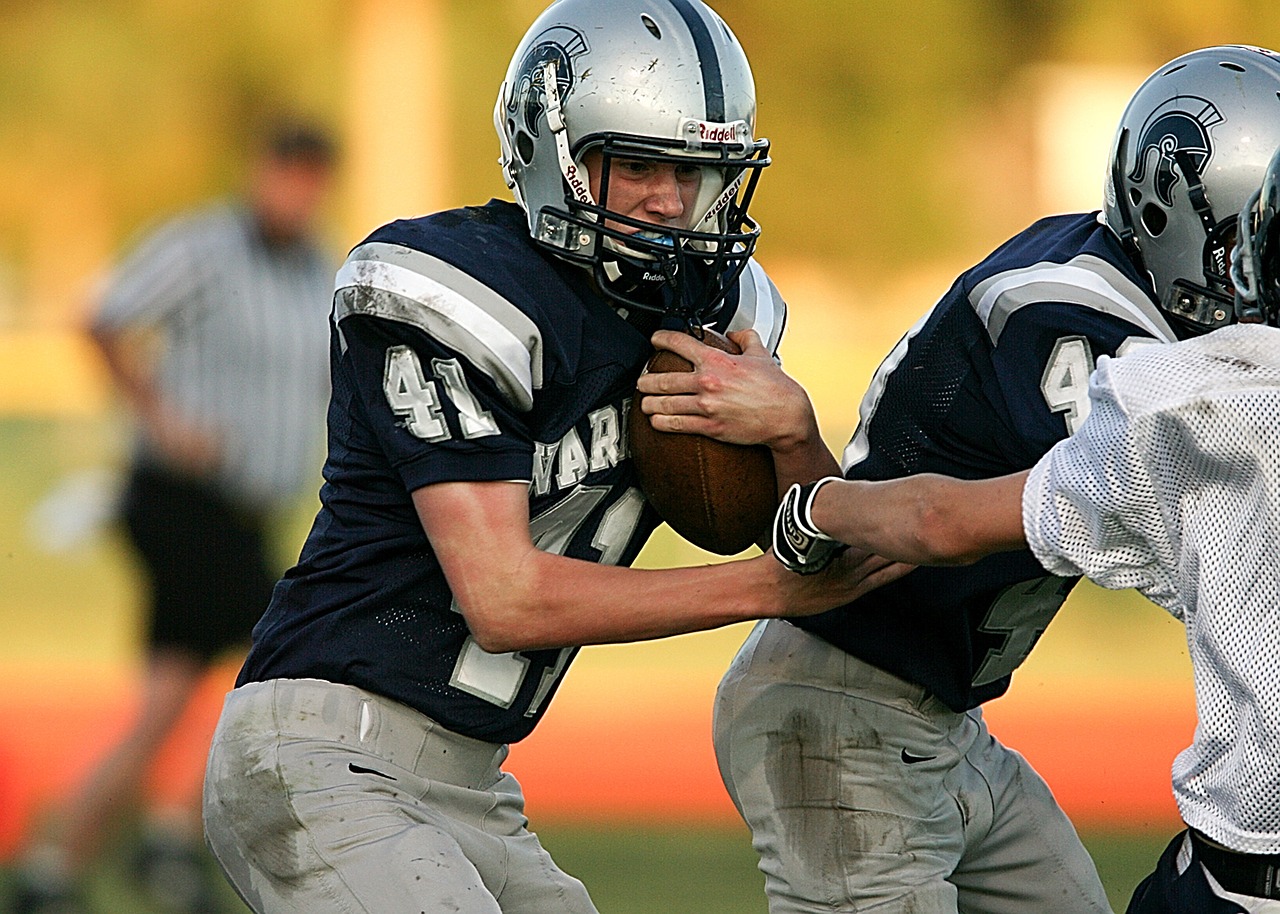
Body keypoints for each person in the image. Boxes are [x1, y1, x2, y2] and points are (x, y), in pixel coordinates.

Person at [200, 3, 903, 913]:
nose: (668, 198)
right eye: (639, 164)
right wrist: (769, 590)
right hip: (325, 748)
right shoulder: (451, 285)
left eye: (692, 171)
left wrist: (795, 431)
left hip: (476, 782)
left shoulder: (716, 315)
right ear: (553, 151)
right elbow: (503, 597)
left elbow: (819, 547)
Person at [637, 44, 1280, 914]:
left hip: (940, 724)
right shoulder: (1072, 312)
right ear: (1182, 211)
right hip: (837, 711)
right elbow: (1201, 528)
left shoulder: (1131, 288)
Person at [12, 120, 339, 914]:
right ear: (257, 169)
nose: (294, 190)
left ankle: (75, 857)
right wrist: (162, 419)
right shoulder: (202, 247)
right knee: (273, 655)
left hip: (247, 508)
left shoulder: (315, 271)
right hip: (183, 497)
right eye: (284, 171)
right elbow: (106, 316)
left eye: (309, 176)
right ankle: (145, 838)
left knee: (183, 689)